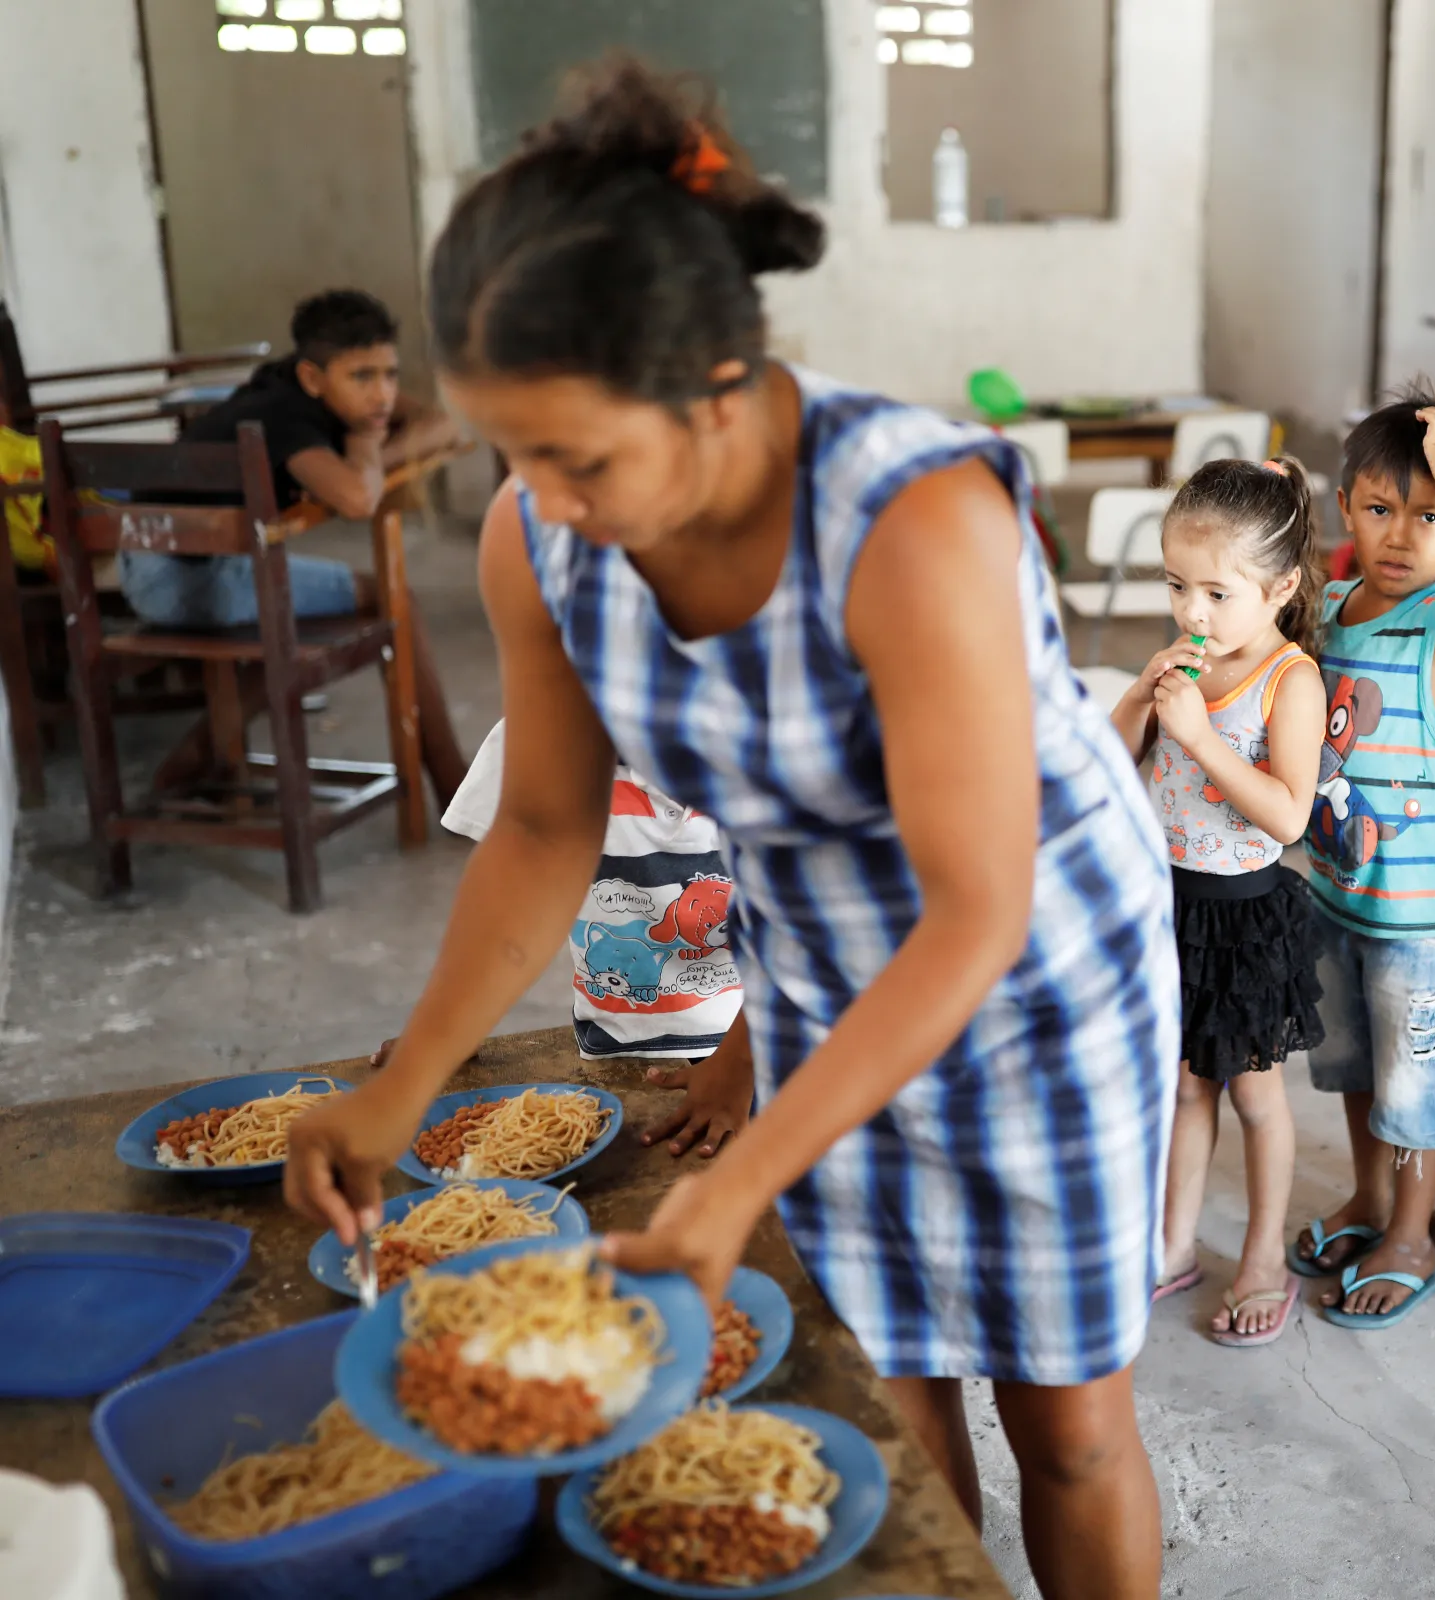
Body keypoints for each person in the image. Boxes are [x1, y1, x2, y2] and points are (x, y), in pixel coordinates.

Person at [280, 64, 1179, 1599]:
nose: (548, 505)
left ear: (714, 383)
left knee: (1068, 1418)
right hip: (829, 987)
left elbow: (974, 909)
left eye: (583, 459)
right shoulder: (541, 535)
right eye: (518, 456)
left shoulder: (909, 522)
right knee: (891, 1397)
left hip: (1035, 989)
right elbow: (548, 822)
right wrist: (404, 1088)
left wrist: (741, 1173)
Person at [1287, 393, 1435, 1327]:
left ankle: (1413, 1230)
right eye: (1382, 510)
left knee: (1414, 1080)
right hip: (1333, 893)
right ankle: (1372, 1200)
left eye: (1432, 517)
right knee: (1352, 1067)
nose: (1404, 537)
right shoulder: (1330, 610)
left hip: (1417, 917)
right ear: (1347, 508)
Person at [1110, 456, 1328, 1350]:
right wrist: (1142, 696)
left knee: (1255, 1099)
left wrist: (1199, 736)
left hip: (1244, 918)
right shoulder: (1181, 663)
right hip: (1171, 911)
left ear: (1279, 588)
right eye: (1175, 586)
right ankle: (1172, 1245)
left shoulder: (1290, 681)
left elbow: (1286, 816)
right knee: (1183, 1088)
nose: (1192, 612)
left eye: (1214, 591)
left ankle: (1263, 1257)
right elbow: (1112, 762)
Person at [123, 289, 467, 801]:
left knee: (319, 622)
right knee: (394, 601)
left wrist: (370, 443)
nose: (382, 396)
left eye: (389, 374)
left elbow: (442, 424)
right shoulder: (284, 416)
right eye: (362, 378)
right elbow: (357, 497)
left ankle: (196, 756)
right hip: (179, 576)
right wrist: (366, 446)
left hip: (186, 563)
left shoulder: (306, 381)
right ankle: (454, 785)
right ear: (312, 377)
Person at [433, 725, 751, 1159]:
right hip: (614, 1050)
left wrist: (741, 1069)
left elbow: (811, 936)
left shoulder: (779, 742)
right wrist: (452, 1025)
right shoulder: (541, 733)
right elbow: (509, 895)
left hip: (763, 1047)